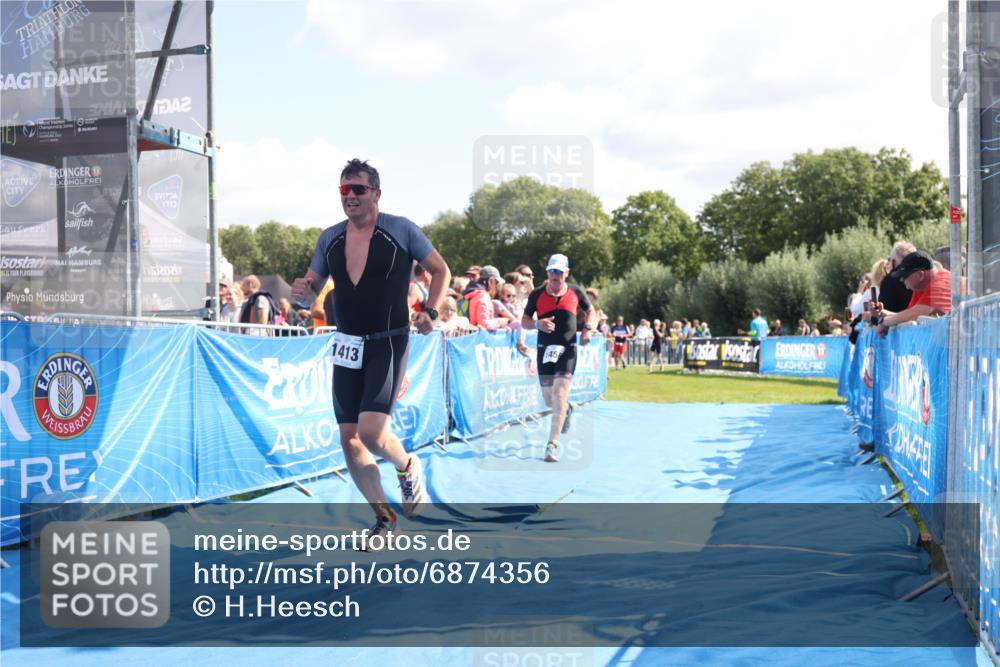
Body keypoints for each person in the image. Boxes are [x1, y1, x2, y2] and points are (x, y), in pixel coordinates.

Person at [291, 158, 451, 543]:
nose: (350, 197)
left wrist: (430, 310)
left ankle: (409, 465)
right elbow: (313, 284)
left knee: (373, 432)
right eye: (344, 190)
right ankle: (385, 518)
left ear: (376, 193)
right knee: (349, 439)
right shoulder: (329, 238)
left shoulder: (401, 229)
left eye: (358, 189)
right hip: (346, 344)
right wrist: (302, 291)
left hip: (389, 340)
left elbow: (441, 270)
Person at [521, 253, 595, 463]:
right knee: (549, 399)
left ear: (566, 273)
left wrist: (588, 330)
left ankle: (551, 445)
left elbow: (592, 311)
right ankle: (568, 409)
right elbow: (524, 320)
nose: (555, 276)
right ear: (547, 272)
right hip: (545, 350)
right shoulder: (537, 295)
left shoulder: (575, 292)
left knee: (560, 393)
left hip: (568, 349)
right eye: (552, 272)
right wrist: (537, 324)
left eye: (559, 273)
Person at [872, 250, 952, 334]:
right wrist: (882, 313)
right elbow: (907, 314)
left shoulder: (940, 284)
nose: (901, 280)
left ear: (920, 275)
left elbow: (912, 316)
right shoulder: (922, 286)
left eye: (904, 276)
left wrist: (882, 322)